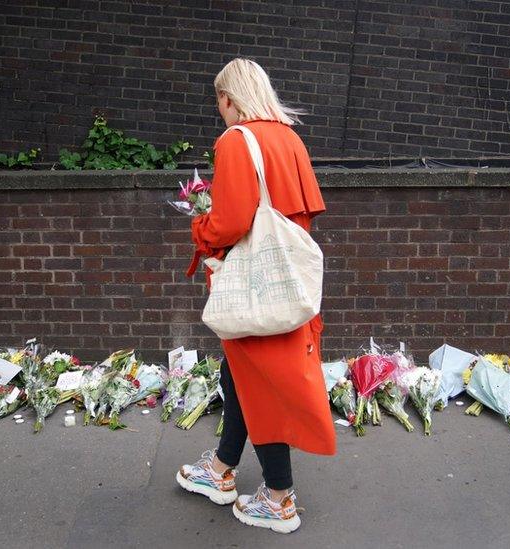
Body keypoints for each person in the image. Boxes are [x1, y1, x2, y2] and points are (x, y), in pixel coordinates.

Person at [176, 58, 336, 534]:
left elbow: (229, 223)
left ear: (229, 97)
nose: (219, 112)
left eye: (219, 102)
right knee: (242, 374)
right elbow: (303, 213)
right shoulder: (290, 138)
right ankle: (222, 468)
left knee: (259, 383)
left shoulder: (236, 140)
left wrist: (199, 225)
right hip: (287, 284)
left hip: (255, 287)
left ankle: (280, 498)